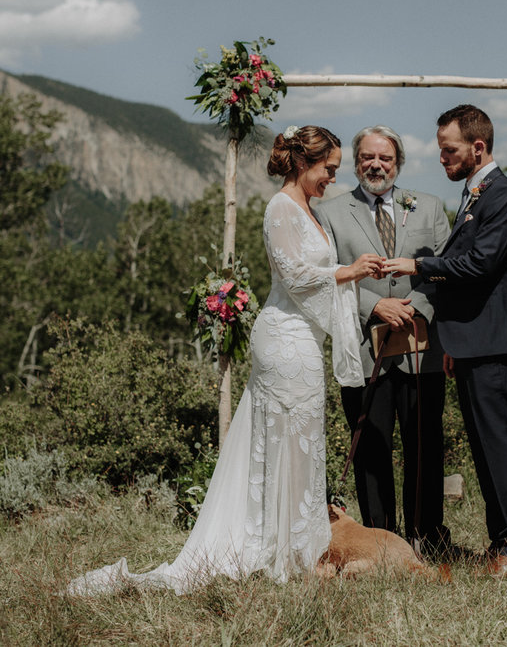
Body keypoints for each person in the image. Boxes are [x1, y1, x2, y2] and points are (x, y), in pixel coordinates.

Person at [68, 126, 384, 594]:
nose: (331, 179)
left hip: (302, 341)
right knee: (284, 441)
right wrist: (349, 271)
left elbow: (310, 276)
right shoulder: (280, 208)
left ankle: (295, 545)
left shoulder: (308, 211)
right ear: (303, 163)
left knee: (302, 441)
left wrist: (348, 277)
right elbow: (296, 279)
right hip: (283, 341)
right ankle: (277, 551)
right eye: (328, 170)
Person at [385, 105, 507, 578]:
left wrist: (418, 265)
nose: (442, 158)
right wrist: (453, 339)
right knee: (483, 446)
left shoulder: (505, 197)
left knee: (501, 443)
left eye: (449, 150)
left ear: (478, 147)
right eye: (440, 150)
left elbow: (480, 264)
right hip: (475, 342)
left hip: (496, 343)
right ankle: (503, 542)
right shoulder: (475, 196)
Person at [314, 125, 451, 550]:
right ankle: (379, 542)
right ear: (356, 163)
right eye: (368, 158)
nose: (376, 165)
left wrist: (414, 310)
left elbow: (447, 269)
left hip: (420, 348)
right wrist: (375, 307)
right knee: (372, 451)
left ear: (399, 163)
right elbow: (328, 278)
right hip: (362, 352)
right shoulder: (331, 213)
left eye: (385, 158)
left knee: (424, 447)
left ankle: (427, 539)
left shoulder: (428, 207)